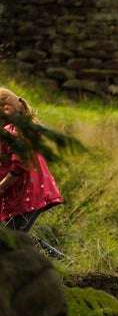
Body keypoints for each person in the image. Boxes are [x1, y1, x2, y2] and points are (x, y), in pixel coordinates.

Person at [0, 87, 66, 259]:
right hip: (28, 195)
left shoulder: (13, 132)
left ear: (6, 109)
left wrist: (1, 186)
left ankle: (43, 271)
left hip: (24, 197)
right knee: (17, 236)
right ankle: (61, 261)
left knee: (8, 242)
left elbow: (21, 164)